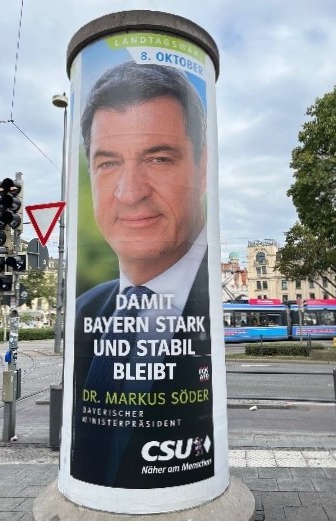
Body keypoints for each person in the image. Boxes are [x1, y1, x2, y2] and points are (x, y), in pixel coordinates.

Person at [72, 61, 213, 488]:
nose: (130, 193)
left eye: (159, 158)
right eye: (108, 163)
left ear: (202, 169)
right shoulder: (86, 309)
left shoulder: (212, 302)